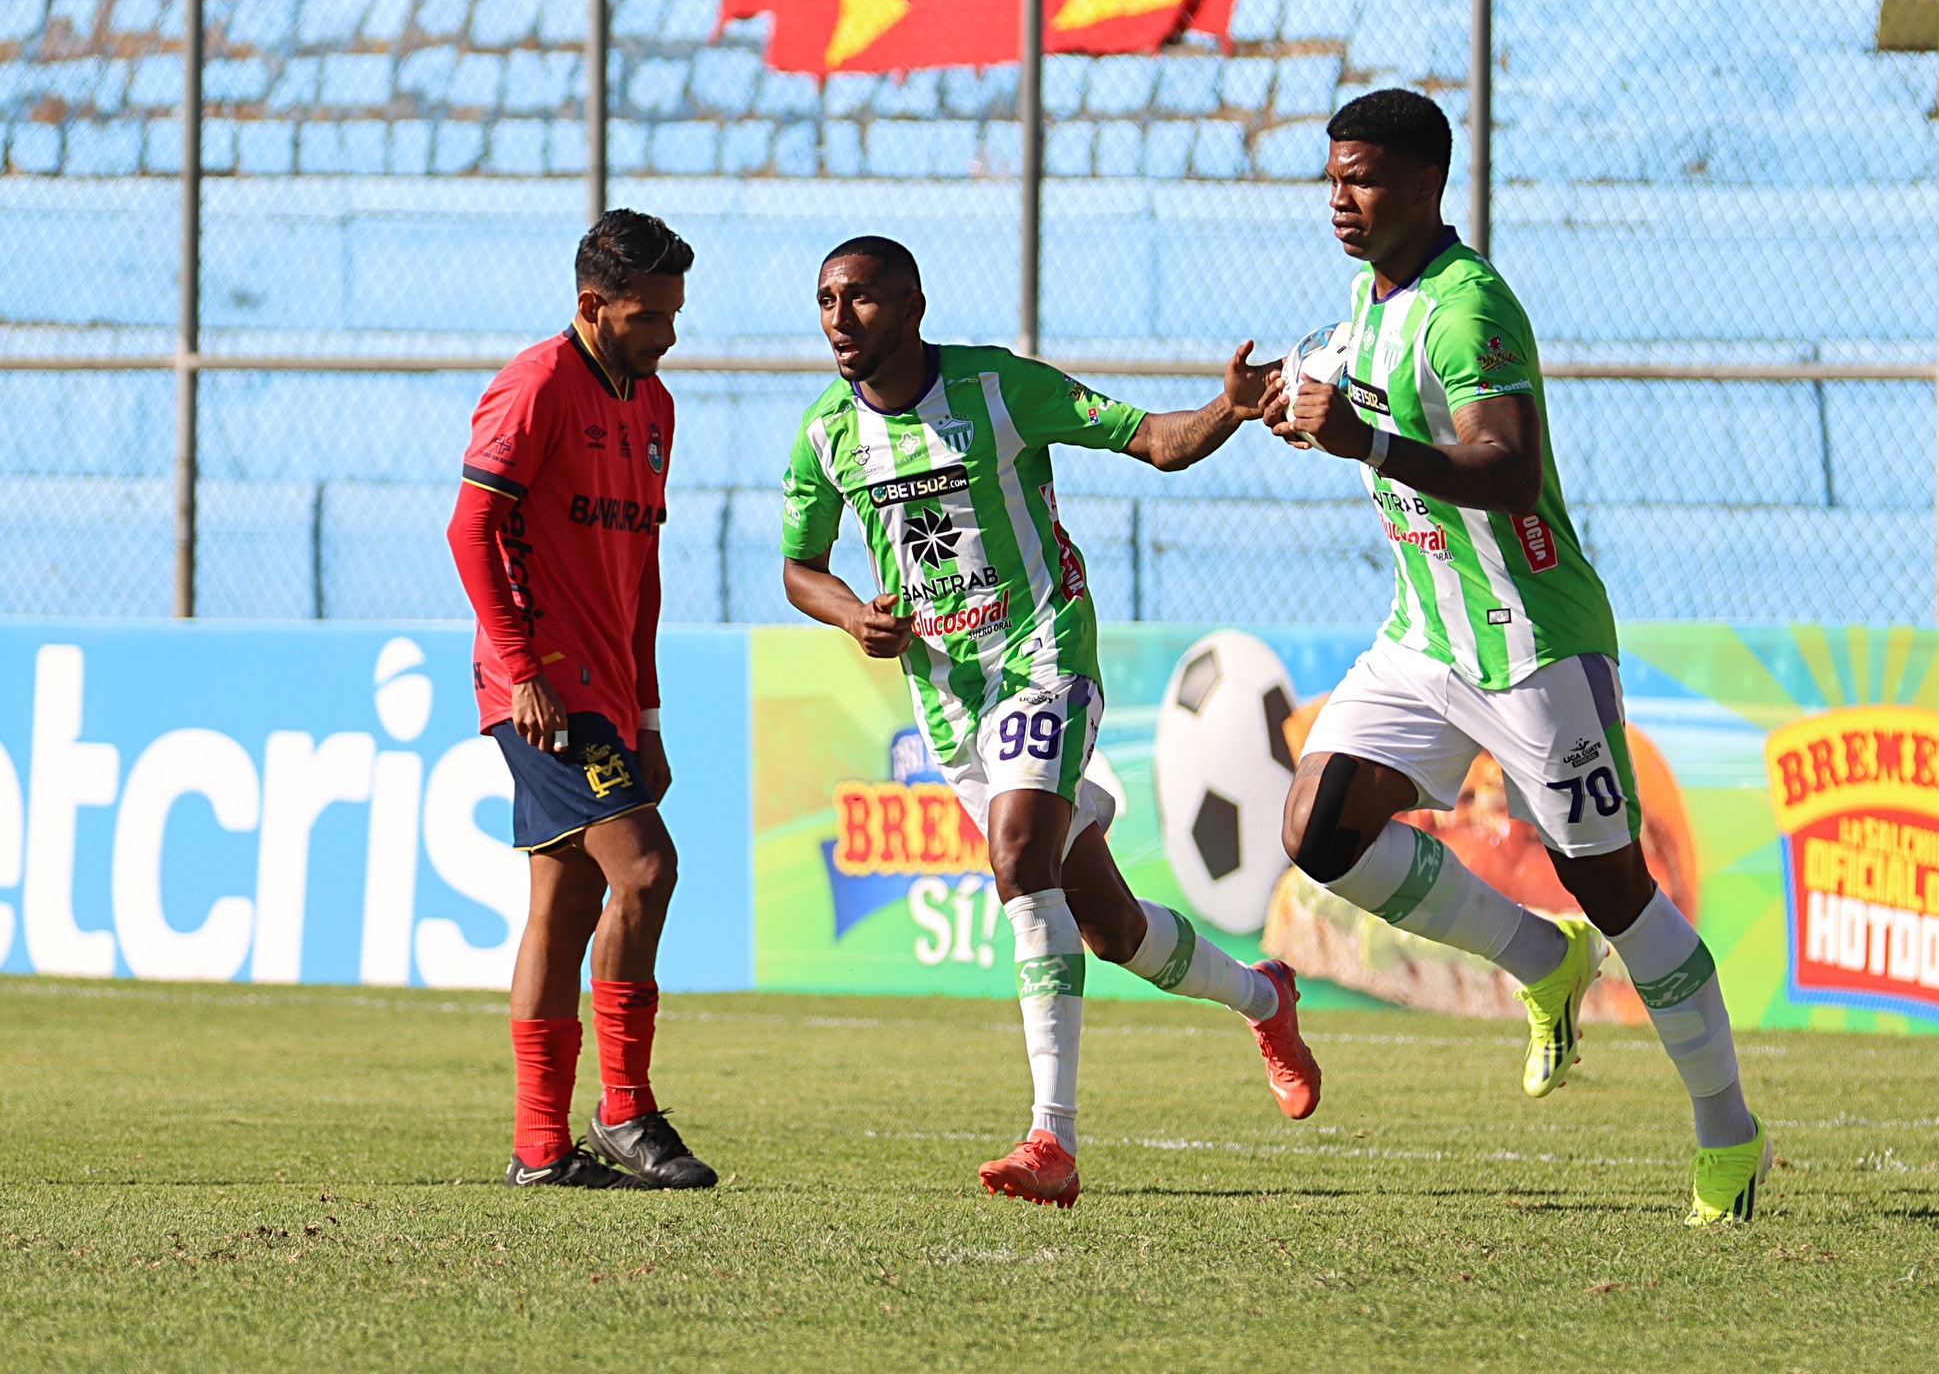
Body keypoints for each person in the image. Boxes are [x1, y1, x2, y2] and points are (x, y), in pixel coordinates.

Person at [1264, 90, 1769, 1225]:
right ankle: (1539, 961)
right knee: (1319, 833)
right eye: (1333, 178)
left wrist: (1363, 440)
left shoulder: (1468, 304)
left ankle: (1726, 1135)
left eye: (1364, 180)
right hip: (1421, 638)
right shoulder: (1371, 298)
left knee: (1618, 890)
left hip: (1530, 647)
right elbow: (1358, 398)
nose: (1340, 199)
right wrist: (1289, 406)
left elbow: (1500, 465)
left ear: (1426, 187)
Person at [780, 236, 1322, 1209]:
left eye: (859, 298)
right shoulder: (825, 435)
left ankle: (1051, 1141)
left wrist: (1228, 411)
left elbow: (1154, 441)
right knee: (1109, 928)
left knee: (1018, 857)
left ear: (911, 305)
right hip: (948, 696)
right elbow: (798, 568)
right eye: (825, 300)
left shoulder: (997, 390)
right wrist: (853, 611)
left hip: (1042, 655)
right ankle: (1264, 996)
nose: (838, 319)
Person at [446, 208, 717, 1192]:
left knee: (565, 907)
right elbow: (471, 529)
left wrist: (646, 715)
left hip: (607, 692)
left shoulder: (654, 407)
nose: (668, 335)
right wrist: (520, 668)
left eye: (674, 314)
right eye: (650, 317)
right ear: (593, 307)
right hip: (544, 691)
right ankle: (624, 1109)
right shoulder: (534, 386)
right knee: (645, 868)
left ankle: (536, 1149)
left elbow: (639, 577)